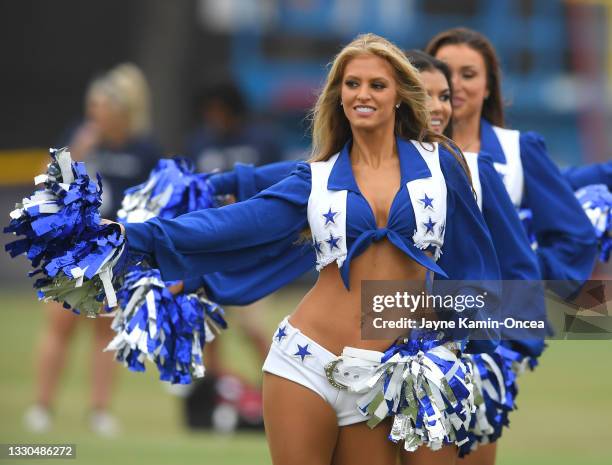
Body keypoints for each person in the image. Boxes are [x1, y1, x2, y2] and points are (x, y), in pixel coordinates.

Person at [111, 34, 506, 464]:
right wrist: (129, 236)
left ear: (399, 97)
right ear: (338, 96)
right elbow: (233, 226)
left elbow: (475, 263)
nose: (363, 94)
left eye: (377, 84)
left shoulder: (441, 164)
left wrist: (470, 342)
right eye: (351, 84)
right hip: (305, 361)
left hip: (382, 371)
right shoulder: (315, 178)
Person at [426, 27, 599, 465]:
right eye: (446, 72)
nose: (457, 84)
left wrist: (518, 279)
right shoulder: (401, 151)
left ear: (488, 87)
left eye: (469, 74)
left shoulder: (517, 151)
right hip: (412, 316)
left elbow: (575, 237)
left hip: (486, 328)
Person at [24, 63, 161, 436]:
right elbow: (46, 181)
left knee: (104, 329)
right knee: (60, 325)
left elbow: (149, 200)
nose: (96, 115)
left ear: (121, 111)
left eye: (103, 107)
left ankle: (100, 410)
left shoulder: (143, 150)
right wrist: (79, 149)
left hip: (112, 251)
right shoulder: (80, 137)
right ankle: (42, 406)